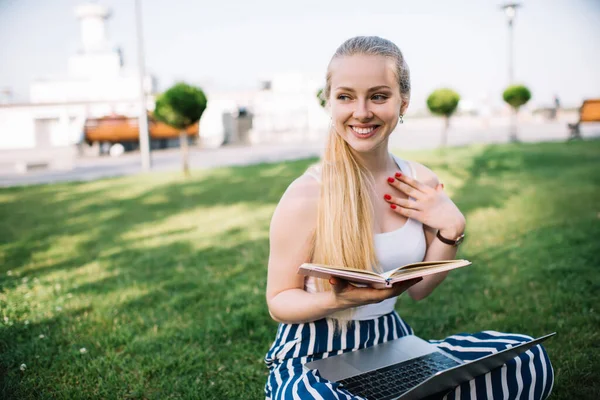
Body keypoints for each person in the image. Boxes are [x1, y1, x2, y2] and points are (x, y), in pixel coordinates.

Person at [264, 36, 554, 400]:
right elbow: (279, 301)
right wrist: (346, 300)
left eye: (379, 96)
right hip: (312, 352)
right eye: (346, 96)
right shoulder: (308, 193)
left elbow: (419, 289)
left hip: (391, 341)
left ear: (403, 101)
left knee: (527, 359)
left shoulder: (420, 183)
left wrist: (451, 229)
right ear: (330, 102)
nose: (362, 111)